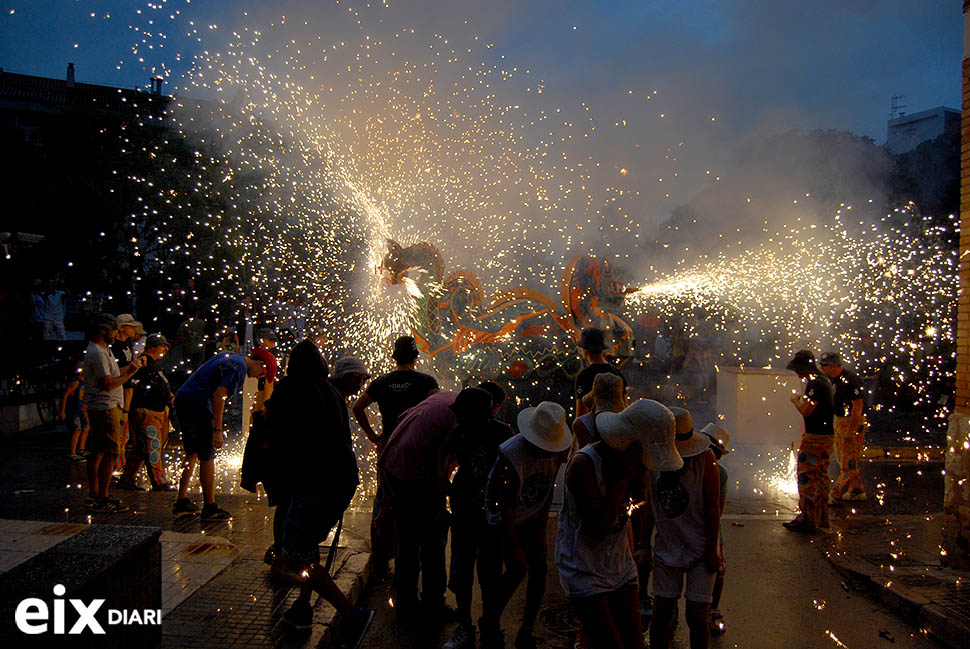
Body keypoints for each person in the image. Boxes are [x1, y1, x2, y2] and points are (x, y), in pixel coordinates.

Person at [269, 341, 375, 647]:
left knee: (295, 553)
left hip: (315, 483)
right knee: (308, 548)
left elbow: (283, 436)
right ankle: (302, 609)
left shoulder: (293, 389)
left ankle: (352, 615)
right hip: (338, 482)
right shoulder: (328, 392)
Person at [558, 399, 681, 649]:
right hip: (584, 568)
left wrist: (638, 550)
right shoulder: (584, 465)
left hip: (620, 566)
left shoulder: (633, 464)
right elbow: (598, 528)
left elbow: (636, 508)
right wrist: (624, 477)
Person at [380, 388, 492, 623]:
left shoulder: (445, 398)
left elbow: (403, 417)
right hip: (411, 471)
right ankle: (432, 604)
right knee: (432, 537)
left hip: (393, 462)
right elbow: (441, 473)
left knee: (408, 539)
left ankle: (406, 603)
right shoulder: (459, 421)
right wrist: (455, 495)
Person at [480, 401, 572, 649]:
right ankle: (489, 623)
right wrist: (513, 547)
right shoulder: (510, 454)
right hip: (502, 521)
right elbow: (505, 505)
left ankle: (526, 632)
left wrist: (541, 532)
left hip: (530, 517)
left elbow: (547, 490)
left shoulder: (557, 450)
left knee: (538, 571)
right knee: (515, 569)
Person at [352, 335, 439, 572]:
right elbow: (436, 408)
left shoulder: (382, 382)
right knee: (416, 500)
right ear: (415, 357)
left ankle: (381, 553)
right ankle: (411, 550)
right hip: (416, 451)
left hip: (388, 449)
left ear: (394, 356)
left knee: (386, 498)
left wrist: (373, 435)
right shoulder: (426, 382)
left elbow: (357, 407)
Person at [641, 407, 720, 649]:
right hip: (667, 547)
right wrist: (643, 545)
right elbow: (647, 508)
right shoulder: (652, 462)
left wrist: (711, 550)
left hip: (699, 547)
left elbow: (712, 507)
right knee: (662, 613)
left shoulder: (706, 460)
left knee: (697, 617)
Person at [443, 382, 513, 649]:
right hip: (463, 514)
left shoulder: (501, 433)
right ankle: (464, 627)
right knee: (462, 573)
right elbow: (445, 462)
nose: (457, 416)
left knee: (490, 574)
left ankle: (490, 625)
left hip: (490, 519)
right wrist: (449, 488)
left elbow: (510, 472)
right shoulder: (460, 431)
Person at [172, 350, 265, 520]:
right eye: (262, 374)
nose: (258, 378)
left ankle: (182, 500)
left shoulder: (230, 356)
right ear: (260, 363)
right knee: (207, 455)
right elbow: (219, 396)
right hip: (198, 404)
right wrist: (217, 430)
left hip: (184, 398)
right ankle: (210, 507)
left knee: (191, 452)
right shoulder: (239, 368)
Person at [82, 313, 146, 513]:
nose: (116, 333)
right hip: (106, 407)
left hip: (107, 406)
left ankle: (95, 494)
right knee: (111, 452)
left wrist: (131, 369)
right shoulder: (98, 353)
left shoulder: (105, 350)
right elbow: (108, 383)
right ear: (103, 330)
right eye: (114, 330)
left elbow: (115, 374)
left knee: (99, 451)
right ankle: (102, 496)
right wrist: (127, 375)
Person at [785, 349, 836, 532]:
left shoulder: (815, 383)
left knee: (807, 476)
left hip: (815, 438)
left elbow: (807, 410)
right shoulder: (823, 380)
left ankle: (808, 518)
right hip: (826, 436)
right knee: (821, 476)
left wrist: (795, 400)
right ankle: (821, 517)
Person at [117, 334, 174, 491]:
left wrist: (169, 396)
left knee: (142, 448)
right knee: (152, 445)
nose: (165, 349)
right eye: (163, 346)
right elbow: (131, 384)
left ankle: (127, 479)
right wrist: (126, 410)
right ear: (153, 347)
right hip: (146, 410)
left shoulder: (154, 364)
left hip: (155, 409)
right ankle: (158, 480)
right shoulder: (143, 362)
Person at [819, 352, 867, 502]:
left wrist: (851, 431)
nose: (822, 368)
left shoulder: (851, 380)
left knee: (848, 462)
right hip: (839, 420)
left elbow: (858, 406)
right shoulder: (830, 378)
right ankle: (856, 489)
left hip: (852, 421)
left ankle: (835, 494)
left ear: (834, 365)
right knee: (843, 458)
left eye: (825, 365)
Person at [699, 423, 731, 635]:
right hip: (696, 523)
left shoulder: (721, 473)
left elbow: (718, 508)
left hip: (708, 524)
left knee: (718, 569)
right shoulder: (691, 465)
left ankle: (713, 608)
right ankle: (712, 609)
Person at [112, 313, 142, 472]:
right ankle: (115, 468)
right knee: (117, 436)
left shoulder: (128, 344)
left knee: (125, 437)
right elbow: (117, 373)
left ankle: (120, 466)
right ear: (122, 328)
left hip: (128, 396)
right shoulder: (115, 347)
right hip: (119, 396)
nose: (134, 329)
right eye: (131, 326)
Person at [574, 328, 626, 418]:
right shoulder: (616, 373)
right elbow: (625, 406)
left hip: (596, 430)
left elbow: (581, 415)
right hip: (616, 427)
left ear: (585, 350)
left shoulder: (584, 376)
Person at [60, 361, 89, 461]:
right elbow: (66, 394)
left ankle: (81, 449)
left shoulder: (84, 382)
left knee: (86, 428)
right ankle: (72, 453)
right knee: (77, 430)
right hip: (74, 409)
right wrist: (62, 411)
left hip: (81, 409)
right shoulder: (76, 382)